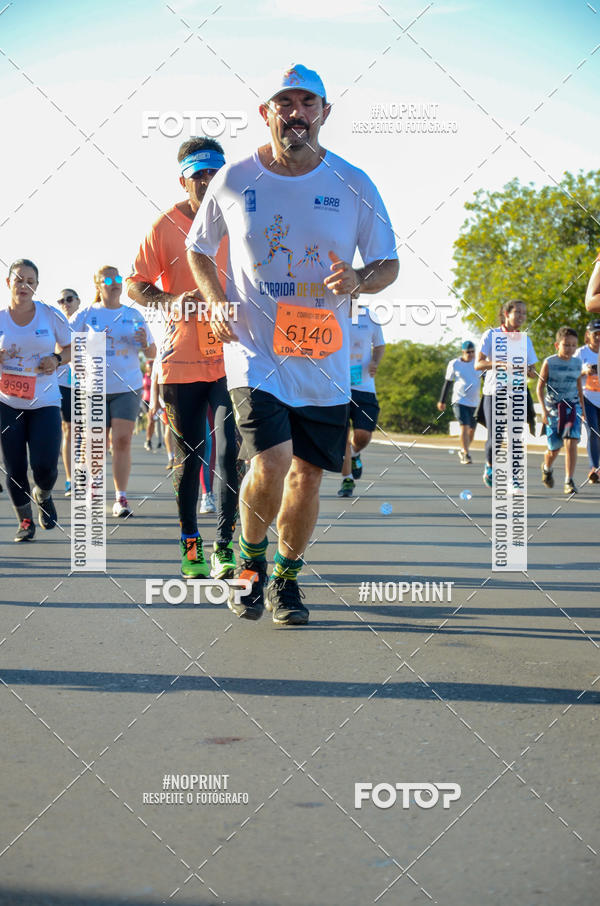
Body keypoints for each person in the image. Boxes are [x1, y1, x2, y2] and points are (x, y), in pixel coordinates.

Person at [186, 64, 399, 625]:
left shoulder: (353, 182)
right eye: (285, 102)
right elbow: (199, 249)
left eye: (308, 102)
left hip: (324, 358)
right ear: (267, 113)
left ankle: (286, 580)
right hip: (254, 351)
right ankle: (250, 566)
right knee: (273, 460)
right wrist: (214, 299)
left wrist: (358, 279)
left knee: (308, 474)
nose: (296, 112)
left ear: (324, 113)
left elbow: (388, 263)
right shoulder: (234, 179)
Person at [126, 137, 239, 579]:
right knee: (191, 456)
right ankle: (190, 543)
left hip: (234, 358)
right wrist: (172, 300)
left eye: (216, 174)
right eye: (200, 176)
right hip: (181, 361)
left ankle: (224, 545)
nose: (209, 183)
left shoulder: (242, 221)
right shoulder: (165, 226)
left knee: (232, 454)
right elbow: (135, 283)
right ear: (184, 180)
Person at [72, 266, 156, 518]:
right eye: (108, 279)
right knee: (96, 443)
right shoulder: (85, 314)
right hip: (94, 387)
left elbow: (152, 353)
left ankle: (121, 497)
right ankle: (94, 489)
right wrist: (78, 368)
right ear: (98, 285)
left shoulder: (133, 314)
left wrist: (144, 344)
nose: (115, 282)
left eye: (118, 278)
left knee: (122, 441)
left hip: (127, 387)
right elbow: (65, 344)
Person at [0, 259, 71, 541]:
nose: (24, 285)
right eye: (18, 280)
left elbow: (71, 348)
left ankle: (44, 493)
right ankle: (25, 521)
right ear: (8, 284)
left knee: (45, 465)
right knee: (15, 467)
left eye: (30, 281)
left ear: (37, 286)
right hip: (7, 403)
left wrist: (54, 359)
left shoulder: (50, 315)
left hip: (44, 401)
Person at [475, 299, 537, 488]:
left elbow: (533, 370)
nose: (521, 317)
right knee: (496, 437)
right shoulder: (491, 335)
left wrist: (529, 370)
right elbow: (478, 364)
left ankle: (514, 478)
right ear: (506, 313)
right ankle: (490, 466)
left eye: (524, 313)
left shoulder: (525, 339)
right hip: (494, 392)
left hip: (517, 392)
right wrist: (500, 364)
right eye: (517, 312)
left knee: (516, 437)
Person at [337, 309, 385, 497]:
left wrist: (375, 361)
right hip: (337, 387)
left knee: (363, 435)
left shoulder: (370, 317)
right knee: (342, 438)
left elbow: (380, 345)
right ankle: (347, 479)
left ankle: (355, 453)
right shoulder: (331, 311)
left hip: (364, 387)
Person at [537, 327, 585, 495]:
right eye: (566, 345)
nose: (570, 349)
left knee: (571, 442)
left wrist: (583, 410)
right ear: (557, 345)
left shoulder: (577, 362)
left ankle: (568, 481)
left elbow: (579, 388)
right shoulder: (549, 362)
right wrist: (543, 410)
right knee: (554, 449)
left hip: (572, 408)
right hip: (553, 410)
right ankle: (547, 467)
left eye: (573, 345)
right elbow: (539, 387)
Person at [437, 340, 480, 464]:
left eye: (472, 352)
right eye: (468, 352)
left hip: (475, 402)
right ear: (463, 352)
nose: (470, 354)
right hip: (459, 400)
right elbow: (448, 382)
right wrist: (442, 401)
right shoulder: (454, 364)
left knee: (472, 431)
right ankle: (466, 454)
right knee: (464, 427)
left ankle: (463, 449)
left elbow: (485, 378)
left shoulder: (478, 363)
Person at [56, 288, 80, 496]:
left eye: (69, 299)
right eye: (61, 300)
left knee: (87, 433)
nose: (65, 303)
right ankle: (70, 479)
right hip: (64, 384)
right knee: (69, 430)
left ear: (78, 301)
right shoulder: (58, 325)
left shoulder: (89, 322)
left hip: (86, 384)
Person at [575, 319, 600, 484]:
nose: (598, 337)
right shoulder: (580, 353)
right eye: (595, 334)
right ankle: (594, 468)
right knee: (593, 431)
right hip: (587, 398)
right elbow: (571, 374)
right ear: (588, 335)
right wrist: (584, 370)